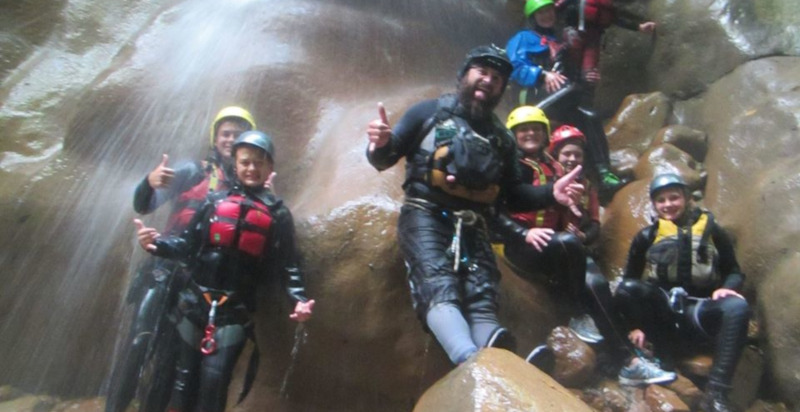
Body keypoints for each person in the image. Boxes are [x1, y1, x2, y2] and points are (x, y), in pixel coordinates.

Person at [365, 44, 585, 365]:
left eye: (497, 78)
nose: (488, 80)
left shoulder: (501, 138)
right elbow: (384, 159)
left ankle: (498, 358)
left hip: (474, 225)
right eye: (482, 72)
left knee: (482, 296)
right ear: (464, 75)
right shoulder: (427, 113)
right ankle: (470, 360)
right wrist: (379, 144)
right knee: (438, 285)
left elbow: (514, 195)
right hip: (426, 217)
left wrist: (553, 193)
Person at [134, 131, 315, 412]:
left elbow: (288, 264)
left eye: (259, 163)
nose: (252, 168)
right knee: (183, 383)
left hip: (233, 312)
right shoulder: (214, 202)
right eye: (245, 162)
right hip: (193, 304)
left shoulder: (277, 213)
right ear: (235, 164)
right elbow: (187, 244)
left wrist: (299, 299)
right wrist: (156, 244)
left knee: (214, 385)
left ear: (269, 168)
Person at [106, 107, 256, 412]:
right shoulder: (192, 172)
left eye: (238, 135)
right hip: (165, 269)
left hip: (202, 284)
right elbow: (144, 204)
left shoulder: (249, 188)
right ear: (215, 139)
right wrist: (149, 182)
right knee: (139, 343)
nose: (231, 139)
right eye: (225, 133)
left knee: (169, 362)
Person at [615, 173, 750, 411]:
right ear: (654, 205)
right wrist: (635, 325)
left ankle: (716, 393)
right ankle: (661, 361)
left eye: (674, 198)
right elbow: (629, 281)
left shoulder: (713, 232)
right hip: (662, 314)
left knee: (737, 307)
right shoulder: (647, 236)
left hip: (698, 310)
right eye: (661, 200)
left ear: (687, 198)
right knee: (629, 289)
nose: (668, 205)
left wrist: (726, 289)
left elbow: (735, 272)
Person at [505, 0, 625, 199]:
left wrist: (586, 78)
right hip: (534, 96)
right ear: (533, 17)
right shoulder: (522, 38)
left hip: (561, 97)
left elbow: (568, 75)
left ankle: (603, 173)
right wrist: (542, 75)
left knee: (590, 117)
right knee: (575, 102)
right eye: (541, 12)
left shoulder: (560, 38)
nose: (547, 15)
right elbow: (514, 67)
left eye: (549, 11)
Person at [556, 0, 656, 84]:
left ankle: (584, 97)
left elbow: (616, 19)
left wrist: (639, 27)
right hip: (572, 35)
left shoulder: (607, 7)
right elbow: (555, 8)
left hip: (592, 41)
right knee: (568, 65)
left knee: (590, 74)